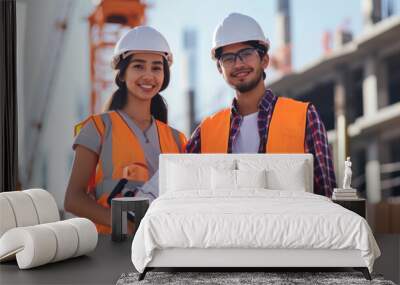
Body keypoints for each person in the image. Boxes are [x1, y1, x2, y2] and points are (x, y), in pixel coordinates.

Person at [185, 13, 336, 197]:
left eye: (246, 54)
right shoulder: (206, 131)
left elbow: (326, 196)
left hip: (290, 225)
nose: (239, 64)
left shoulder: (304, 117)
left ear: (264, 60)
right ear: (220, 68)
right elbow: (187, 196)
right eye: (228, 58)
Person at [64, 26, 187, 234]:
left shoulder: (178, 139)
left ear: (164, 75)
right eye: (139, 66)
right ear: (122, 75)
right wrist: (126, 226)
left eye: (156, 68)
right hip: (110, 249)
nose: (148, 75)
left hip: (162, 245)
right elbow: (73, 199)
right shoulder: (98, 127)